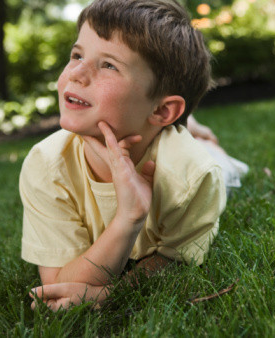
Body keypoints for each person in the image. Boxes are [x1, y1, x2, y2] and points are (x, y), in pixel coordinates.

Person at [20, 0, 245, 311]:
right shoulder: (46, 164)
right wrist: (127, 219)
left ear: (162, 109)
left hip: (211, 168)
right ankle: (191, 124)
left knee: (224, 166)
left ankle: (202, 135)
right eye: (77, 55)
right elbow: (57, 282)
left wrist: (112, 293)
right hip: (158, 125)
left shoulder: (193, 174)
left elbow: (174, 259)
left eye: (109, 65)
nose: (76, 73)